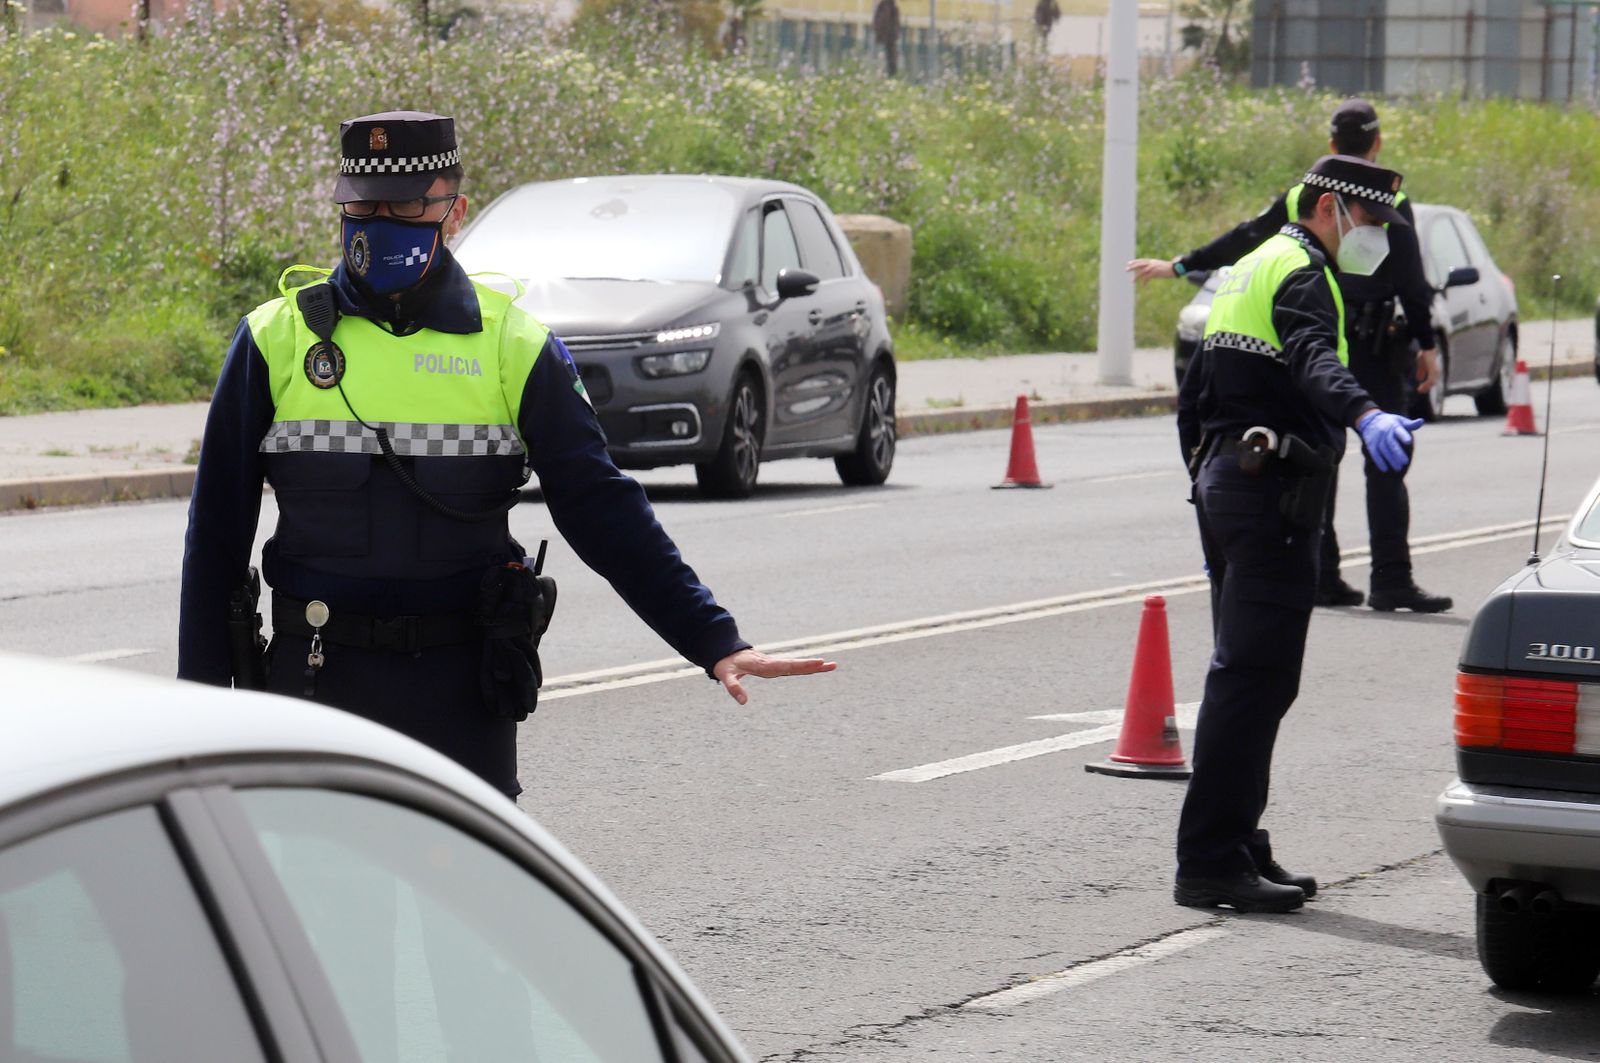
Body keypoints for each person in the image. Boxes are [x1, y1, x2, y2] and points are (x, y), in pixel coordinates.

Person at [178, 111, 835, 799]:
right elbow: (216, 536)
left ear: (454, 209)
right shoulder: (274, 340)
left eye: (404, 204)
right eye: (359, 203)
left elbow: (601, 507)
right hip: (313, 684)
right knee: (323, 904)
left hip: (461, 692)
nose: (377, 221)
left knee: (463, 904)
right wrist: (194, 711)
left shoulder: (513, 347)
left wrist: (713, 638)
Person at [1168, 155, 1426, 913]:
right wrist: (1366, 412)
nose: (1374, 237)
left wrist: (1204, 475)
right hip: (1270, 496)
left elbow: (1194, 393)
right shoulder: (1305, 275)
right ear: (1327, 208)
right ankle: (1211, 857)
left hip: (1227, 483)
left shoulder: (1250, 267)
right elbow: (1315, 360)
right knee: (1253, 681)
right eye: (1370, 222)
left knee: (1248, 676)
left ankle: (1238, 840)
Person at [1129, 99, 1451, 614]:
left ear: (1330, 144)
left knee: (1318, 454)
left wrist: (1182, 265)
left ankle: (1322, 572)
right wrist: (1427, 344)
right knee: (1382, 464)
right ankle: (1391, 577)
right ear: (1378, 143)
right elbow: (1411, 278)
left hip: (1325, 346)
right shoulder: (1385, 200)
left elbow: (1245, 236)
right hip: (1360, 346)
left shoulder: (1306, 195)